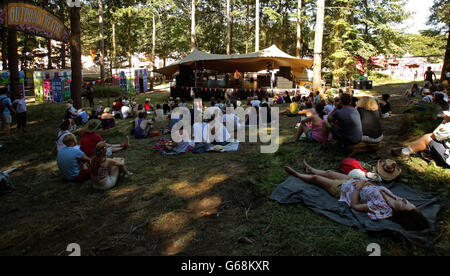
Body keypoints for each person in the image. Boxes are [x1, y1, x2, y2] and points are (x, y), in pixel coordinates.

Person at [283, 160, 429, 231]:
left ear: (400, 213)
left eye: (405, 204)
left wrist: (358, 188)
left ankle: (297, 174)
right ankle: (311, 169)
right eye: (407, 200)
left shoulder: (383, 209)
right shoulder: (395, 199)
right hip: (355, 182)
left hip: (346, 191)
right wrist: (365, 183)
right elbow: (377, 189)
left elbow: (355, 206)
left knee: (317, 180)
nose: (403, 199)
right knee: (328, 172)